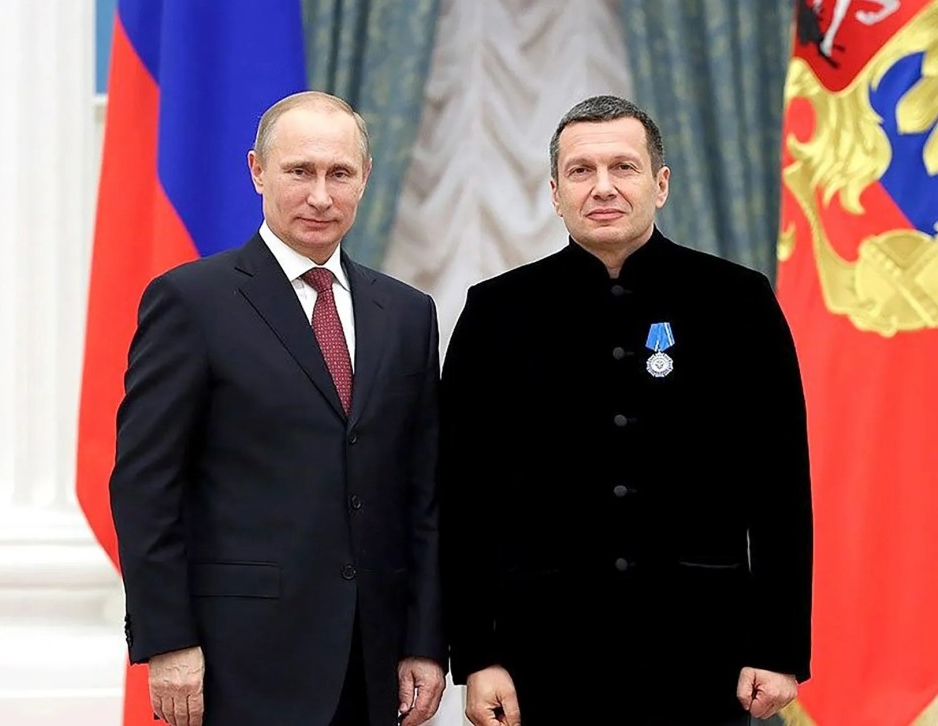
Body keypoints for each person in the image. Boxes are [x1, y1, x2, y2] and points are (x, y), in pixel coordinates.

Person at [440, 95, 813, 725]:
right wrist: (477, 655)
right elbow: (462, 497)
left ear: (660, 183)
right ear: (555, 192)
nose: (603, 187)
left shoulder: (738, 302)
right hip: (545, 657)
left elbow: (780, 487)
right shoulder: (496, 312)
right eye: (581, 171)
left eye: (624, 167)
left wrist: (778, 648)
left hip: (702, 654)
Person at [110, 91, 446, 726]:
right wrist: (168, 639)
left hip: (373, 662)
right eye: (300, 172)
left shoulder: (406, 313)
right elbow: (145, 483)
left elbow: (421, 491)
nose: (321, 195)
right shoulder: (191, 302)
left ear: (365, 178)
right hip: (239, 660)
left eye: (339, 173)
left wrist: (425, 641)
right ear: (258, 171)